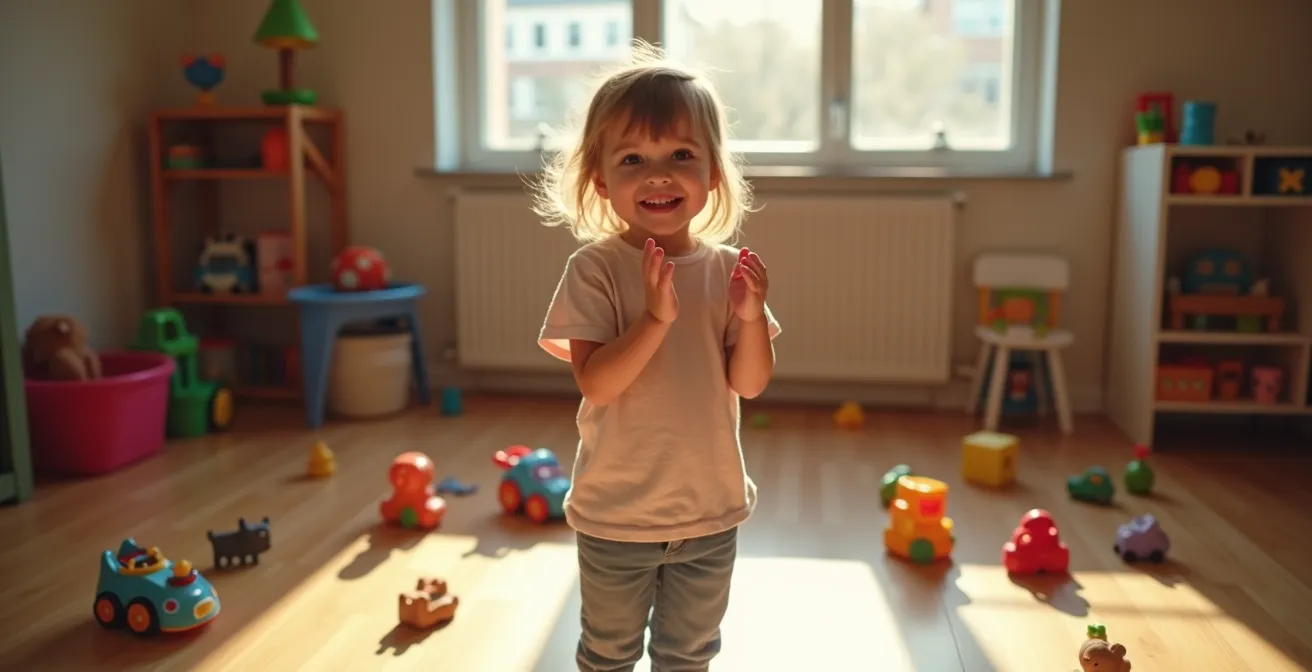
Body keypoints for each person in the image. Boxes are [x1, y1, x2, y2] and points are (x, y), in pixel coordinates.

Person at [534, 41, 781, 672]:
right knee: (609, 653)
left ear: (713, 174)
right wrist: (653, 320)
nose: (659, 174)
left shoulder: (726, 270)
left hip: (710, 512)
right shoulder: (593, 268)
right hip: (616, 516)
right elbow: (596, 383)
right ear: (602, 179)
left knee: (690, 654)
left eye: (680, 155)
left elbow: (748, 385)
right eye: (634, 159)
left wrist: (750, 317)